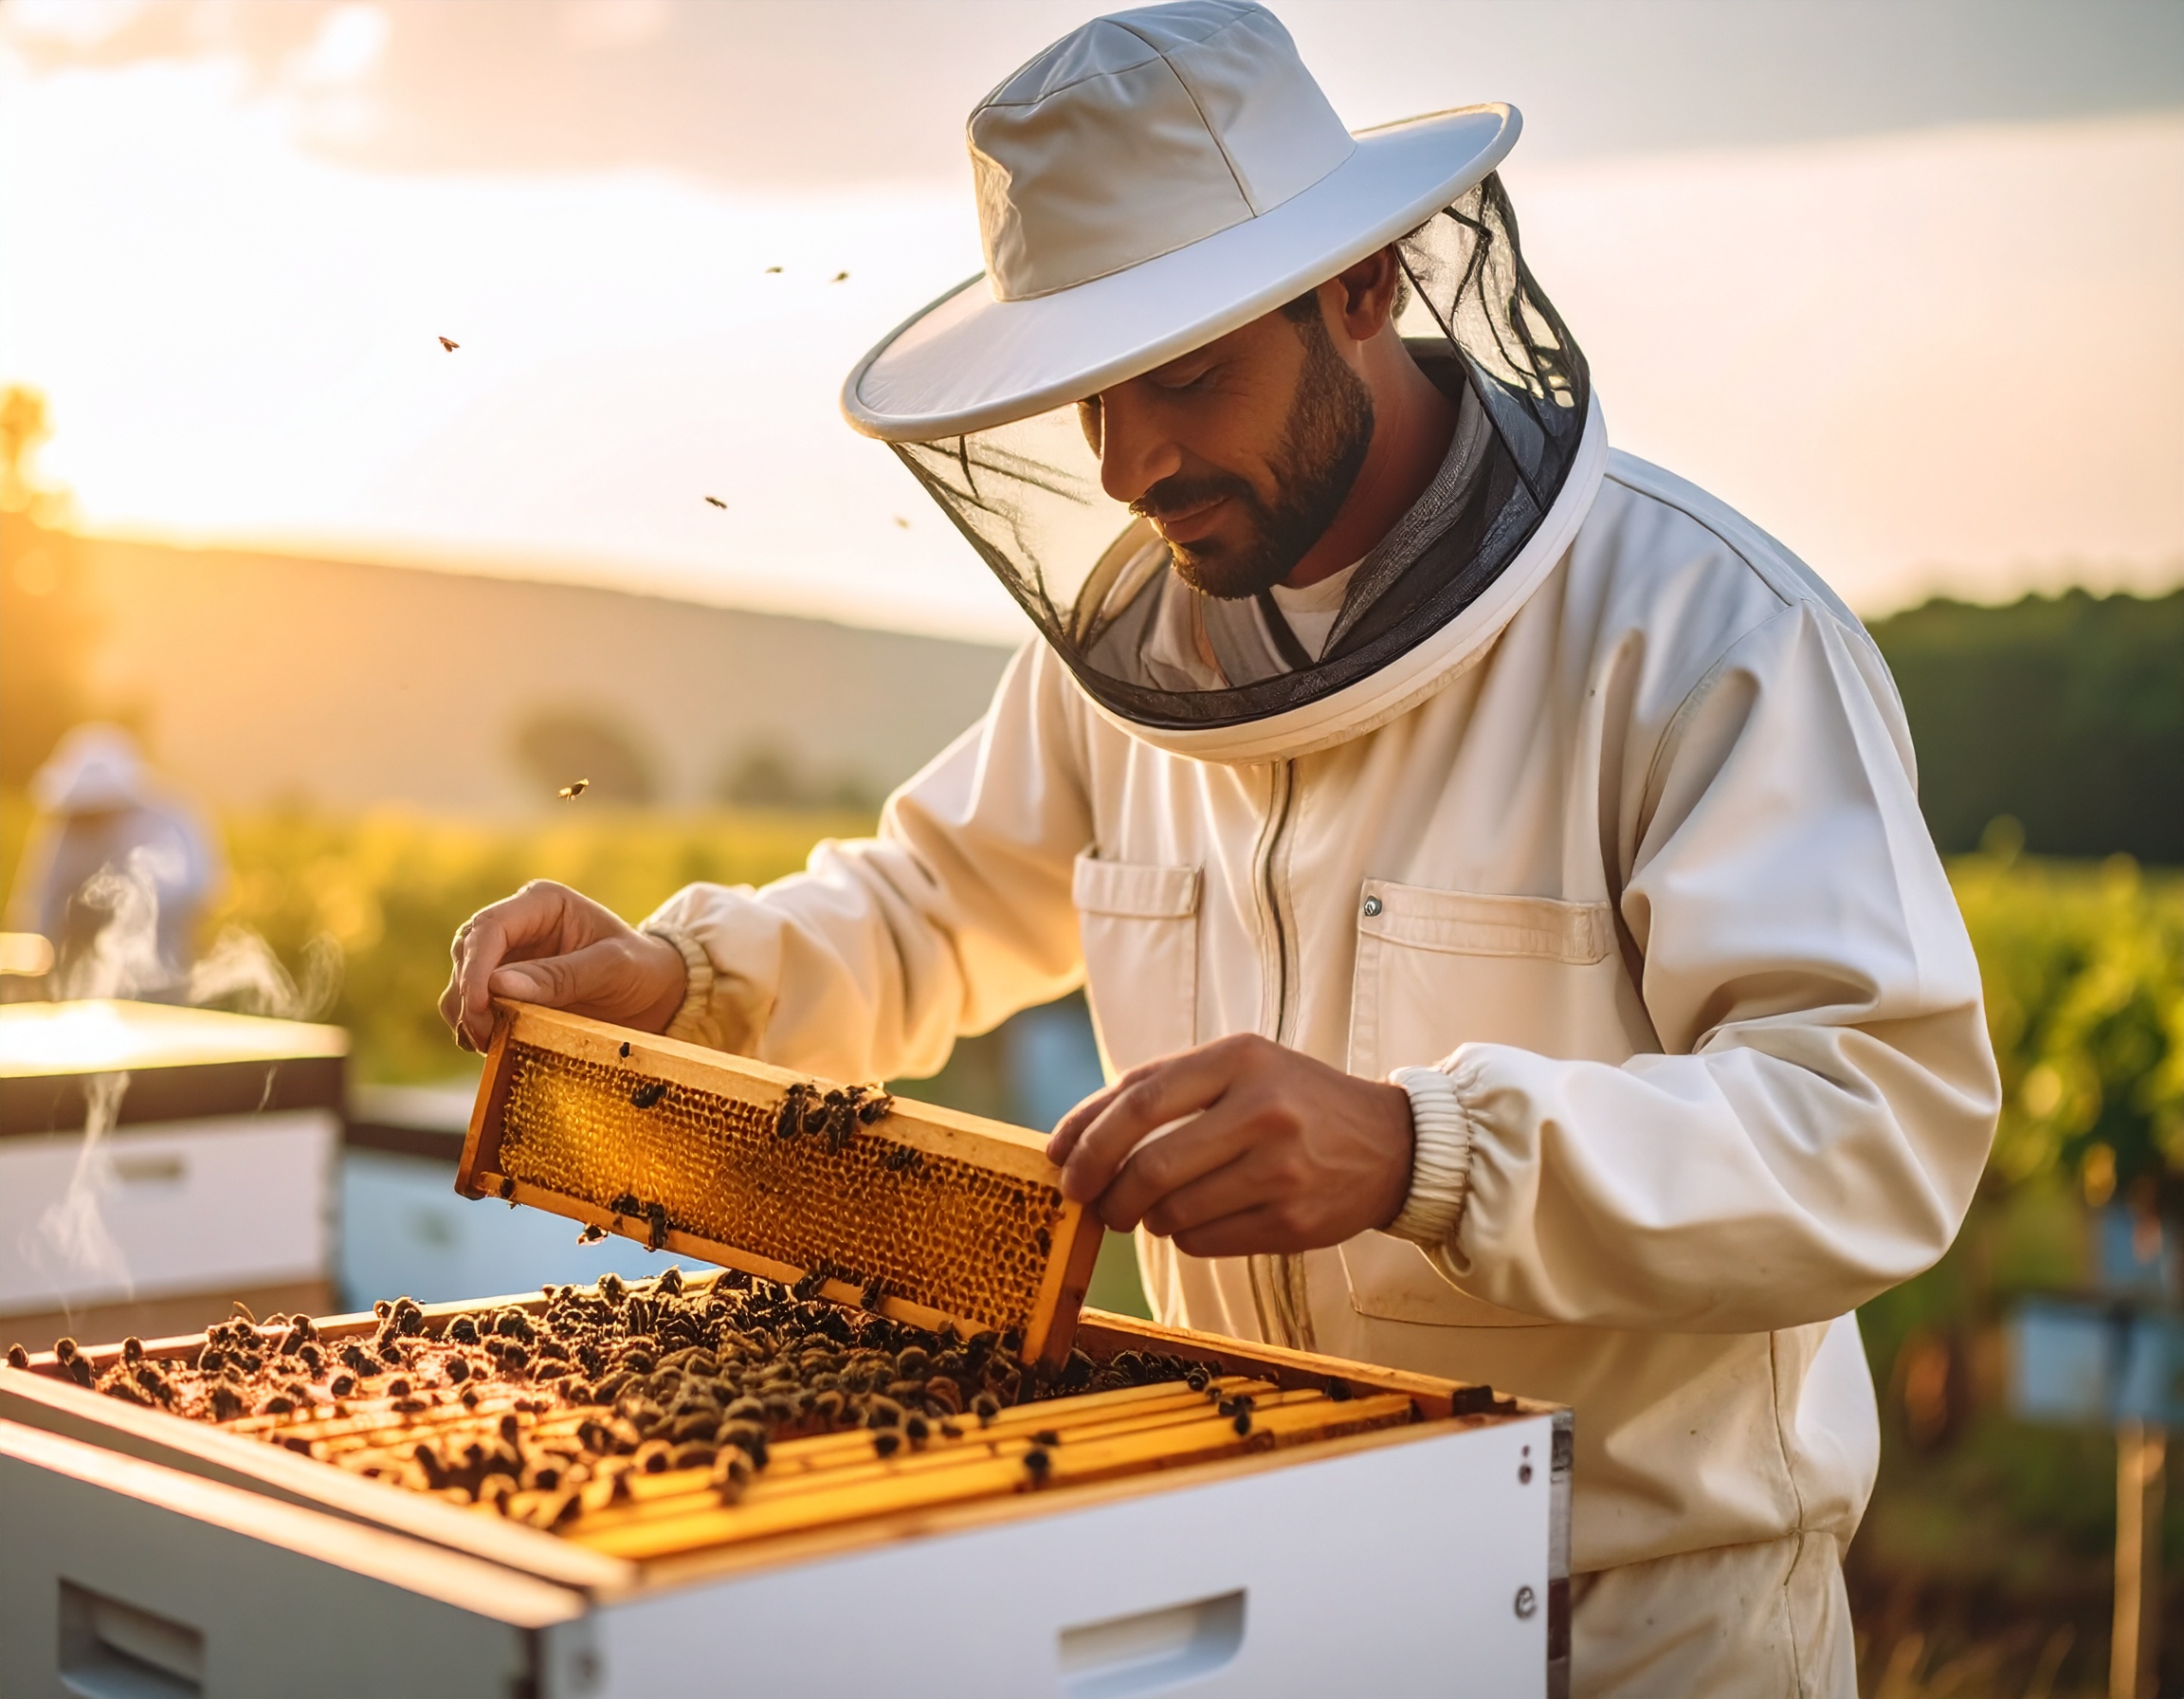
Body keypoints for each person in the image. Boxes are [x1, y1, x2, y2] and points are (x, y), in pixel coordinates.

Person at [441, 6, 2000, 1691]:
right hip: (1264, 1577)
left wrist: (1419, 1148)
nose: (1130, 465)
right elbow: (926, 905)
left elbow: (1870, 1123)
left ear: (1365, 286)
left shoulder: (1694, 633)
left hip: (1631, 1620)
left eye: (1184, 374)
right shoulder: (1129, 663)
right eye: (1089, 398)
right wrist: (683, 974)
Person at [8, 722, 222, 1000]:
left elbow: (200, 891)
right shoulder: (64, 826)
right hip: (76, 985)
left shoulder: (171, 817)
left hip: (166, 977)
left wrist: (119, 912)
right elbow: (38, 902)